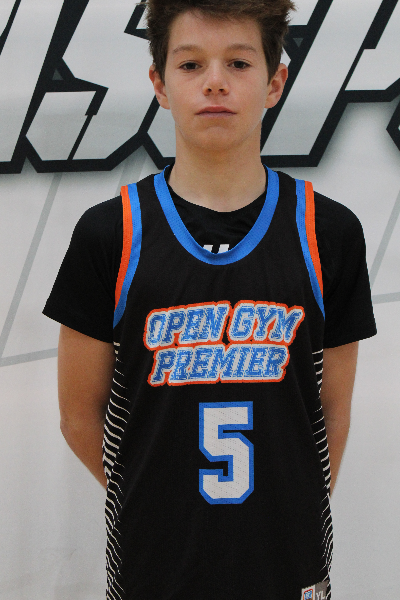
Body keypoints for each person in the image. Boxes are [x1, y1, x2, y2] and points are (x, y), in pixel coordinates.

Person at [43, 1, 377, 598]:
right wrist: (149, 499)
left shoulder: (328, 232)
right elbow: (77, 416)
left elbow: (330, 412)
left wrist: (287, 505)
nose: (215, 81)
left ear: (275, 82)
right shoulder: (109, 234)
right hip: (153, 564)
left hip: (289, 561)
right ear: (160, 83)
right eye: (191, 64)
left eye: (239, 63)